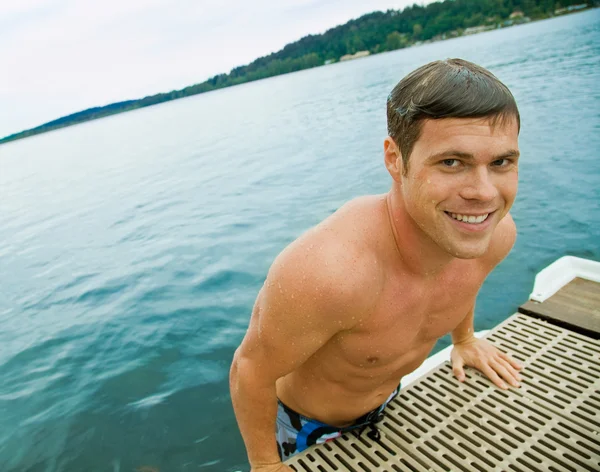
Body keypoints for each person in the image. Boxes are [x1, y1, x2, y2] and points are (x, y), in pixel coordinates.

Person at [229, 58, 524, 472]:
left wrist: (465, 340)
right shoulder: (331, 273)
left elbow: (462, 283)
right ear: (394, 158)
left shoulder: (493, 235)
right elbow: (249, 370)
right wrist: (264, 464)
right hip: (304, 425)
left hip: (388, 397)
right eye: (451, 163)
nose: (483, 193)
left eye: (501, 163)